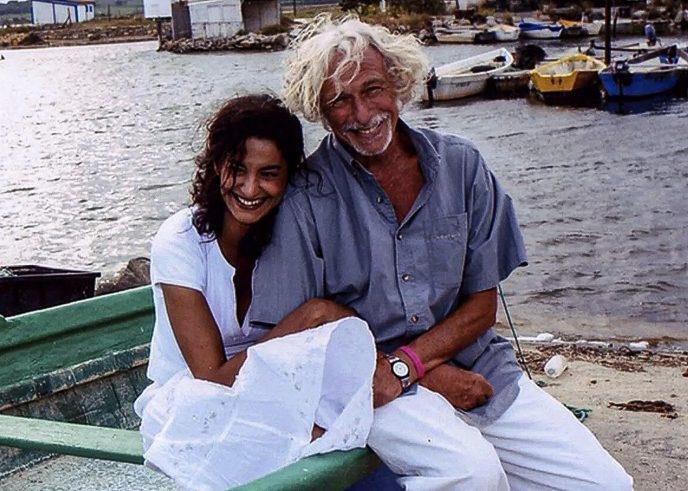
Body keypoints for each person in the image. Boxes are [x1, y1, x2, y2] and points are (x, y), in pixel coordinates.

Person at [248, 17, 634, 490]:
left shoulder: (461, 166)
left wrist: (411, 364)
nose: (362, 113)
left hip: (478, 366)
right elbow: (297, 340)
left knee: (606, 485)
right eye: (339, 101)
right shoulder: (305, 198)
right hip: (369, 387)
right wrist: (418, 376)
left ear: (398, 82)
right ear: (320, 112)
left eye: (372, 89)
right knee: (473, 473)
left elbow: (481, 307)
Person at [133, 94, 378, 490]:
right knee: (308, 440)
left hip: (273, 386)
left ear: (288, 176)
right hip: (194, 402)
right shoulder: (180, 241)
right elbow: (212, 379)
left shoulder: (292, 236)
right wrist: (310, 315)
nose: (250, 188)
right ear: (217, 166)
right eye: (237, 169)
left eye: (268, 173)